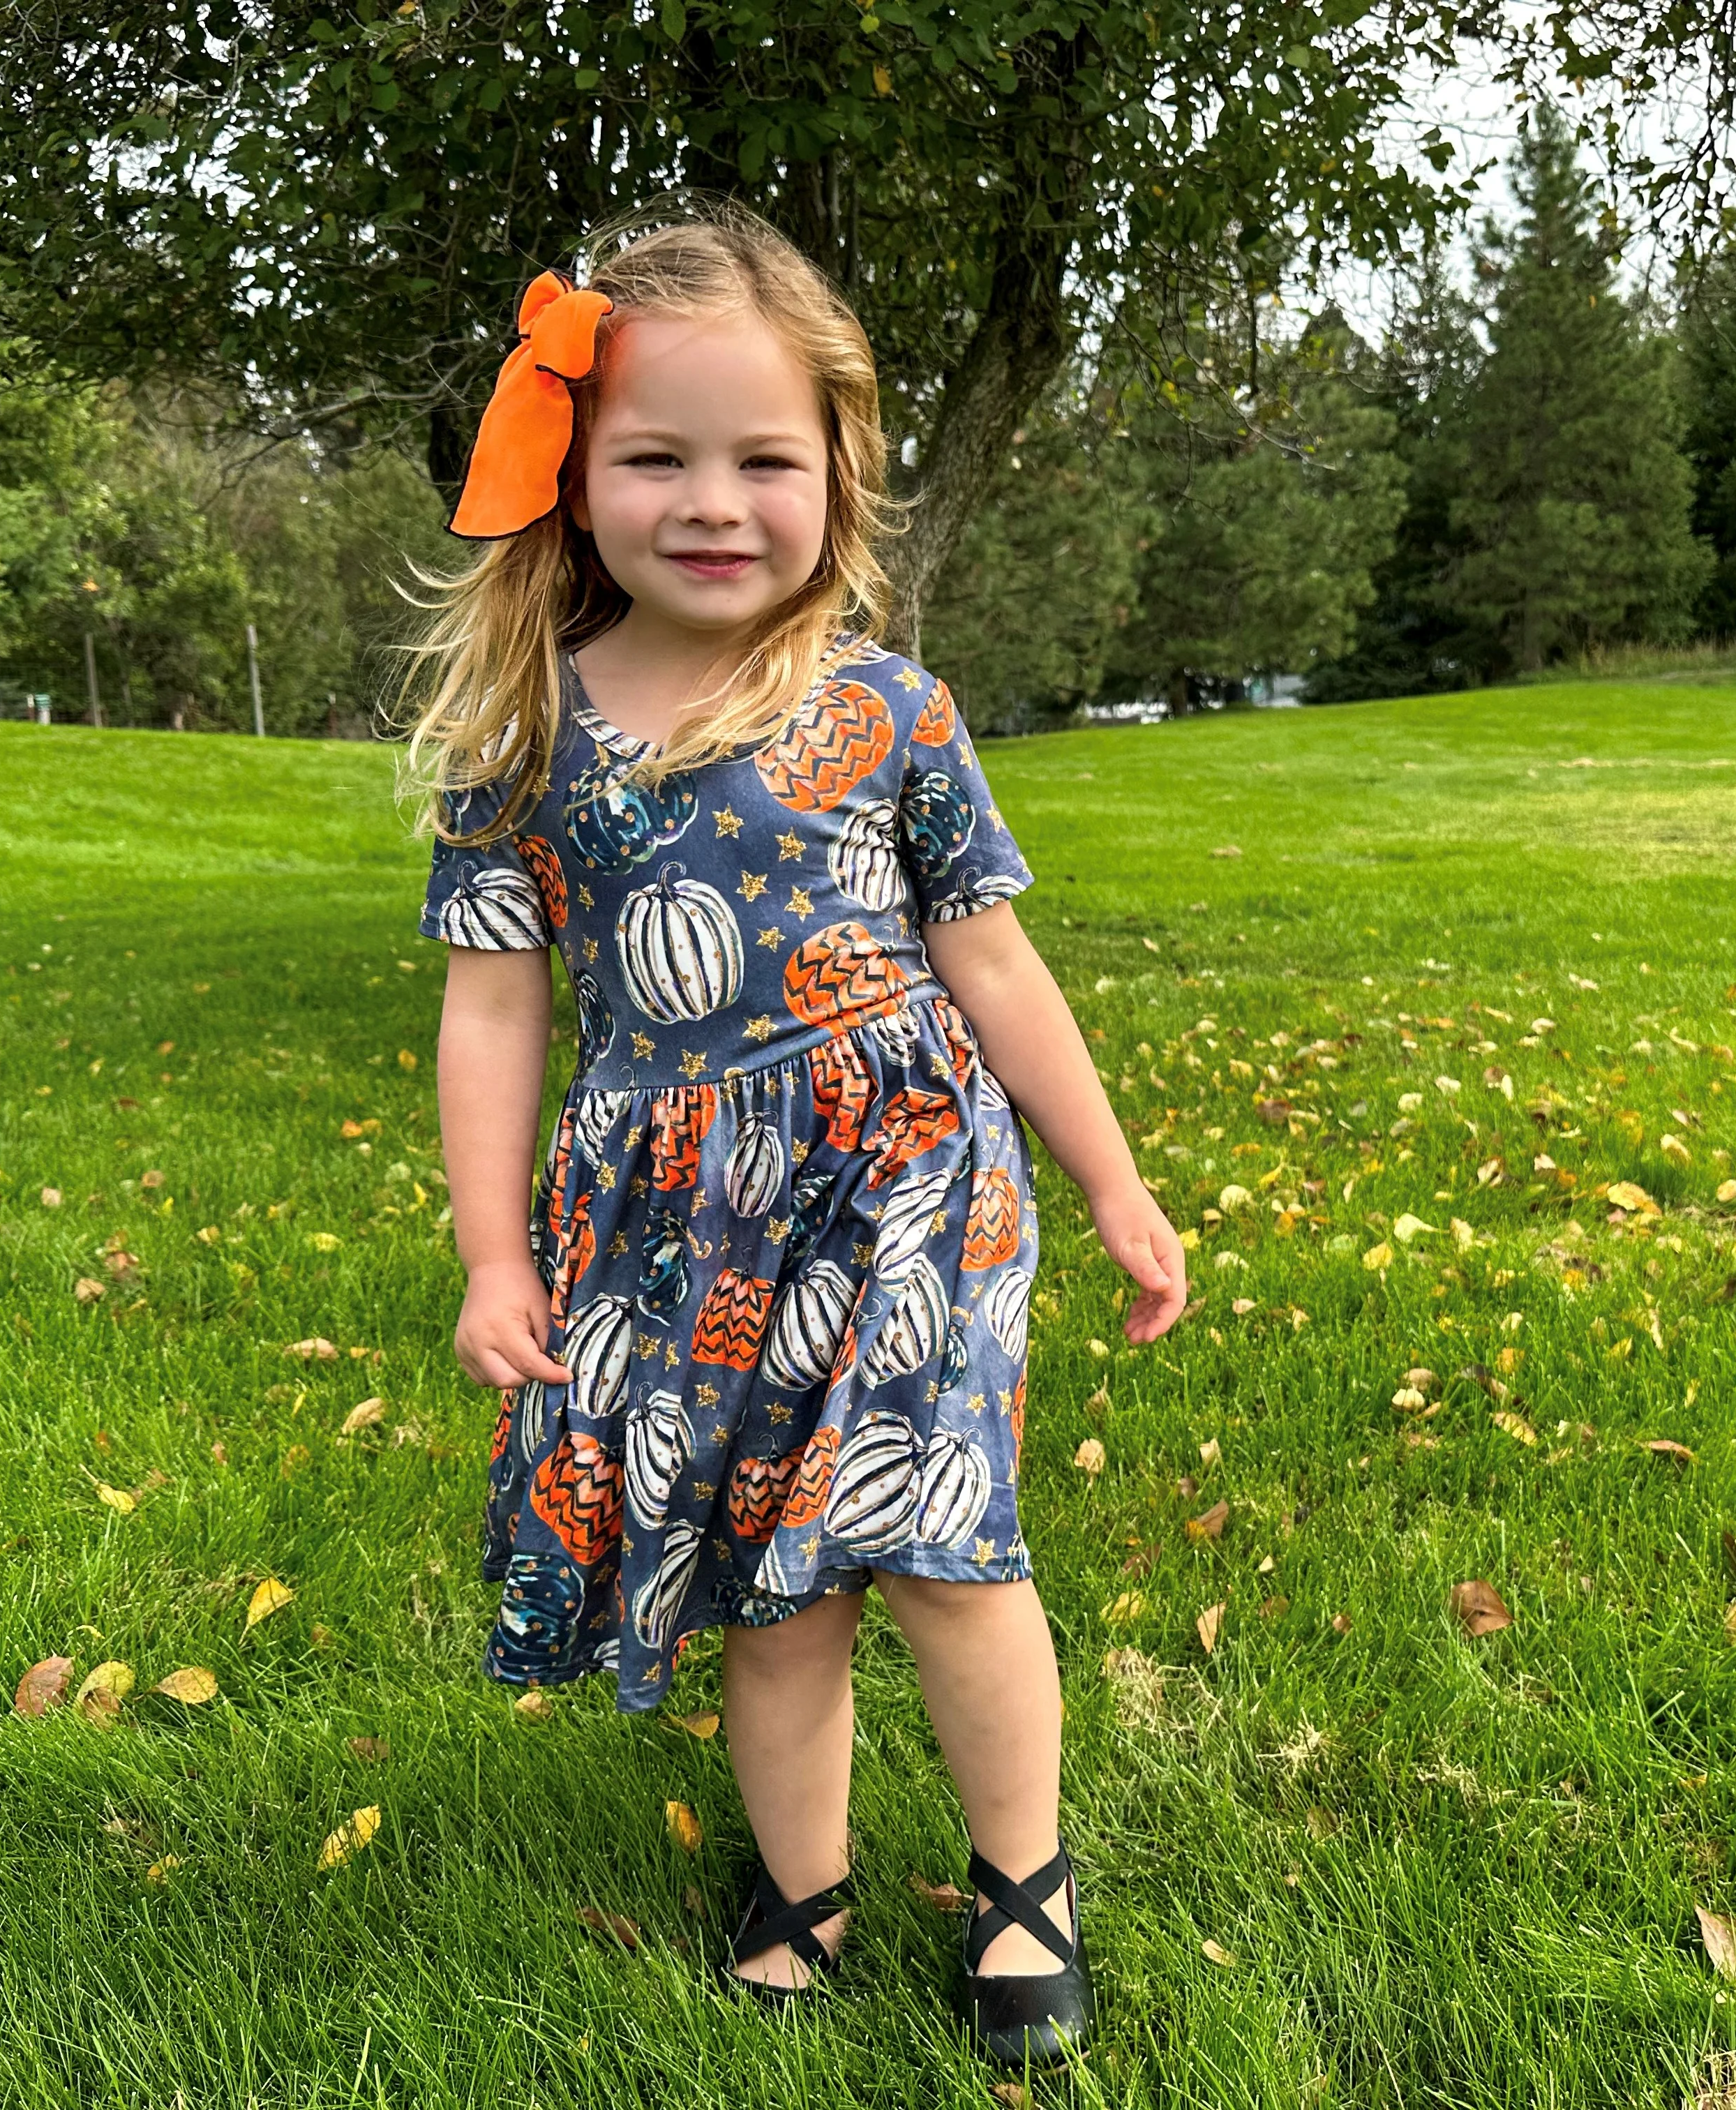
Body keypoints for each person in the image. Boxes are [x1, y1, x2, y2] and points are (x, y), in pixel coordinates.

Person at [406, 200, 1185, 2070]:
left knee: (940, 1547)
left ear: (841, 475)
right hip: (681, 1212)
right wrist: (497, 1253)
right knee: (775, 1572)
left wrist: (1113, 1179)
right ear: (575, 475)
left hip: (907, 1167)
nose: (714, 499)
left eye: (767, 457)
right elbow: (495, 1003)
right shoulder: (528, 745)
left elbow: (993, 966)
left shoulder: (888, 712)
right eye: (656, 455)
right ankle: (802, 1888)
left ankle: (1023, 1890)